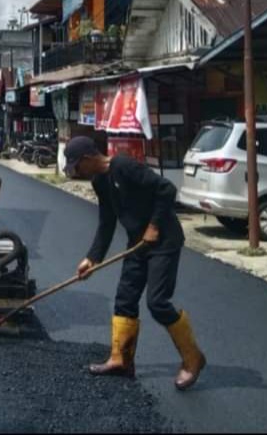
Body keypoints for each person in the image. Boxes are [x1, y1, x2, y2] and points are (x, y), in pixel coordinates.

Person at [64, 136, 206, 391]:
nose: (77, 172)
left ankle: (193, 358)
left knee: (157, 302)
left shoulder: (123, 166)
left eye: (77, 167)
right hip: (138, 244)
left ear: (86, 159)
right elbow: (106, 223)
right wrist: (92, 258)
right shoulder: (100, 182)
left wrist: (153, 226)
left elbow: (167, 190)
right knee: (125, 299)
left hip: (164, 241)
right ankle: (121, 360)